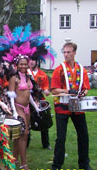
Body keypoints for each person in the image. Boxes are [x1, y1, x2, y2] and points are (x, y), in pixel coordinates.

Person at [51, 42, 91, 170]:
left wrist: (83, 93)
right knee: (61, 138)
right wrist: (67, 91)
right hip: (62, 106)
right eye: (65, 52)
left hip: (77, 106)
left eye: (69, 52)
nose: (66, 54)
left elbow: (86, 88)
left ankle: (84, 164)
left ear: (74, 52)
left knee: (83, 136)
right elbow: (53, 90)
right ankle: (57, 165)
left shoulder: (81, 69)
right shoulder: (59, 69)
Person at [28, 58, 52, 150]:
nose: (31, 61)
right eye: (30, 59)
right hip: (28, 100)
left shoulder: (42, 74)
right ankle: (26, 143)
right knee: (28, 122)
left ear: (37, 61)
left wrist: (46, 90)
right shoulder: (25, 73)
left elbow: (46, 88)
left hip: (40, 100)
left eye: (33, 60)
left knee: (44, 121)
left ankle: (46, 143)